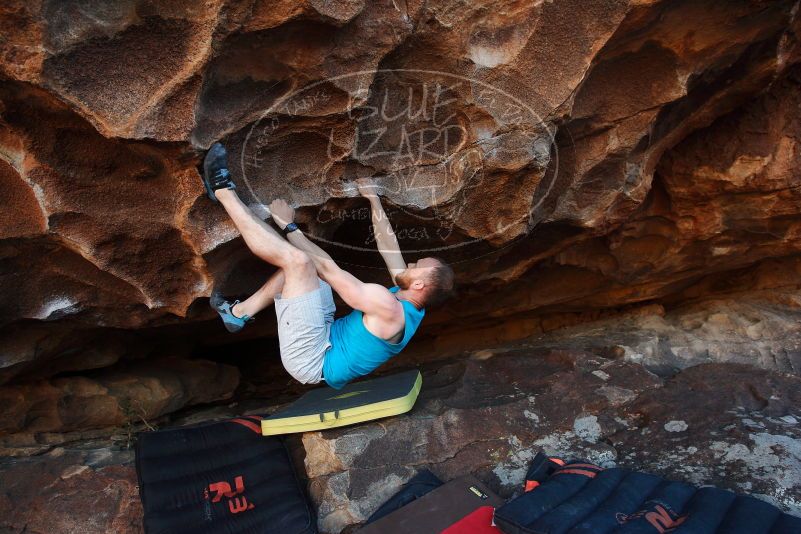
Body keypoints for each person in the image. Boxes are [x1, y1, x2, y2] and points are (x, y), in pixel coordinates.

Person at [201, 142, 455, 389]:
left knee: (299, 262)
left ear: (419, 284)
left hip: (312, 359)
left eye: (416, 265)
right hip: (326, 334)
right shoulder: (410, 303)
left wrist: (288, 226)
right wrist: (373, 200)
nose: (410, 263)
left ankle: (223, 191)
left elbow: (330, 270)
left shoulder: (389, 308)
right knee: (307, 265)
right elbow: (389, 246)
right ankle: (238, 314)